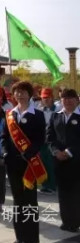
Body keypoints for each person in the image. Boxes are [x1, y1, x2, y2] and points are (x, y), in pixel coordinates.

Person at [1, 81, 46, 243]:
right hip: (13, 164)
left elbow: (41, 139)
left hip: (30, 163)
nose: (20, 95)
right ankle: (20, 237)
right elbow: (4, 137)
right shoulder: (9, 114)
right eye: (17, 92)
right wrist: (4, 151)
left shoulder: (38, 114)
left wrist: (29, 152)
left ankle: (31, 238)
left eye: (23, 91)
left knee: (30, 201)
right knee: (17, 200)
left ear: (29, 94)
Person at [46, 88, 80, 232]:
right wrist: (55, 151)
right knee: (63, 193)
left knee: (76, 192)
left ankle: (76, 220)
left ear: (77, 100)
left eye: (70, 98)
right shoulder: (55, 116)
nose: (67, 101)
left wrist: (68, 152)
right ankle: (67, 221)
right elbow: (49, 137)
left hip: (76, 160)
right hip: (59, 161)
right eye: (64, 99)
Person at [39, 87, 58, 194]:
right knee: (43, 163)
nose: (45, 100)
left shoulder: (58, 109)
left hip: (54, 141)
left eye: (47, 98)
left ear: (52, 98)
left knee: (51, 163)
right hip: (42, 140)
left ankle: (52, 185)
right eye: (43, 98)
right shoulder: (40, 110)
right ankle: (45, 184)